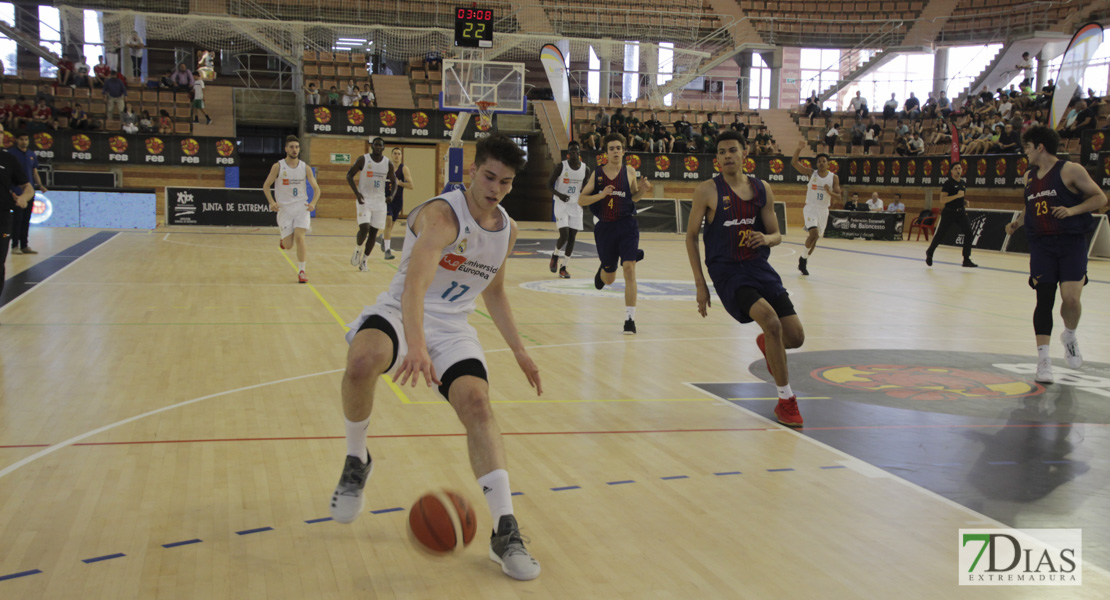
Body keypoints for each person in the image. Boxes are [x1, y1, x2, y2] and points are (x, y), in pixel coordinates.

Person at [331, 134, 542, 581]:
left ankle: (505, 531)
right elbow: (414, 287)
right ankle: (356, 460)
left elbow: (496, 292)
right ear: (471, 171)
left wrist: (521, 352)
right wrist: (416, 345)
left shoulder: (507, 229)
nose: (496, 188)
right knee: (363, 361)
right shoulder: (444, 216)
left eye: (505, 182)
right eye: (489, 176)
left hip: (452, 327)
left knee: (478, 405)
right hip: (401, 310)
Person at [685, 130, 806, 427]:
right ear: (717, 158)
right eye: (722, 152)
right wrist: (701, 285)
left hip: (759, 268)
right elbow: (690, 237)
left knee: (795, 337)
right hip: (728, 272)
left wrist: (766, 238)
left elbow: (777, 235)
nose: (727, 156)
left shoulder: (762, 189)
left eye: (732, 150)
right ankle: (785, 400)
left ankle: (769, 343)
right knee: (772, 321)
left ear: (744, 154)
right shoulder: (707, 191)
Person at [1004, 126, 1106, 383]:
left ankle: (1069, 336)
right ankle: (1044, 361)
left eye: (1027, 147)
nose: (1024, 152)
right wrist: (1017, 223)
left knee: (1070, 300)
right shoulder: (1029, 177)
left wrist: (1072, 211)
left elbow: (1099, 198)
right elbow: (1031, 207)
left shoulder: (1070, 170)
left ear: (1040, 147)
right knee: (1044, 298)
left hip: (1071, 242)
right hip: (1041, 244)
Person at [577, 133, 650, 334]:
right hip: (605, 228)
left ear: (624, 151)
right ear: (606, 153)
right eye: (612, 148)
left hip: (627, 226)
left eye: (619, 148)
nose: (616, 151)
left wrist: (643, 190)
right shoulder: (598, 174)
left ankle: (630, 320)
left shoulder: (630, 172)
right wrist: (601, 195)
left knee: (629, 269)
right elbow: (581, 200)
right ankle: (608, 267)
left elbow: (635, 198)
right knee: (609, 279)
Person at [263, 135, 321, 283]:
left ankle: (302, 271)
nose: (294, 150)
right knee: (288, 246)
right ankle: (284, 240)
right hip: (285, 209)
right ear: (286, 149)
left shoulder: (305, 167)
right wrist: (272, 202)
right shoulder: (278, 166)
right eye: (291, 147)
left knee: (300, 237)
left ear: (299, 149)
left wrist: (313, 203)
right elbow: (266, 186)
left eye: (296, 147)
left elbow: (317, 189)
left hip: (301, 207)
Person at [345, 137, 396, 271]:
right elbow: (349, 175)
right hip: (364, 199)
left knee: (373, 233)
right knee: (365, 228)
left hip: (380, 202)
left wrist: (391, 195)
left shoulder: (387, 163)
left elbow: (394, 182)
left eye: (380, 145)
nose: (378, 147)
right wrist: (357, 193)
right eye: (376, 145)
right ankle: (358, 248)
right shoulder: (363, 159)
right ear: (372, 146)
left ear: (384, 148)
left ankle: (364, 261)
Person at [0, 124, 35, 316]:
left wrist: (23, 198)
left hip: (3, 219)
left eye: (0, 132)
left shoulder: (8, 159)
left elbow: (28, 188)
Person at [792, 140, 840, 276]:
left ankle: (804, 259)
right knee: (813, 234)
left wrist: (829, 192)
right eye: (819, 161)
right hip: (811, 208)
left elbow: (839, 197)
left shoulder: (833, 178)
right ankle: (802, 260)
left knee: (815, 238)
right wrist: (799, 149)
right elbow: (794, 163)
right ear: (817, 163)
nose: (821, 163)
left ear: (828, 163)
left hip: (823, 210)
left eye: (824, 161)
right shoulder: (811, 174)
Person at [548, 141, 590, 279]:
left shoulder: (585, 169)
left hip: (576, 205)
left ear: (579, 153)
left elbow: (586, 189)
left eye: (575, 151)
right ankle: (555, 255)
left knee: (572, 237)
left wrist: (586, 199)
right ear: (568, 153)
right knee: (564, 235)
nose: (573, 153)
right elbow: (549, 185)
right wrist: (560, 195)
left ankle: (564, 267)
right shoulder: (561, 166)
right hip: (561, 204)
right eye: (571, 151)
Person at [926, 162, 977, 268]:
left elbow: (959, 198)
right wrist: (957, 196)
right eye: (956, 168)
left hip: (961, 212)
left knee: (969, 233)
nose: (958, 170)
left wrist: (963, 201)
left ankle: (966, 259)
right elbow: (943, 200)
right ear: (952, 171)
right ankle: (930, 252)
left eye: (960, 168)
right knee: (940, 234)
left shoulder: (962, 183)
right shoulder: (948, 183)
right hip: (949, 212)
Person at [6, 130, 46, 255]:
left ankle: (24, 245)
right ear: (17, 140)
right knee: (17, 219)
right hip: (17, 193)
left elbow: (34, 172)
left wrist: (40, 185)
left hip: (29, 193)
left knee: (26, 219)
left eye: (26, 139)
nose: (24, 142)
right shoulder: (11, 154)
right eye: (22, 139)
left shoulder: (31, 154)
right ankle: (14, 246)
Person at [380, 147, 412, 260]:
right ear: (391, 155)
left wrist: (399, 183)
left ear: (401, 156)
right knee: (388, 222)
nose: (397, 155)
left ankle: (385, 239)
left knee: (391, 224)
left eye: (399, 154)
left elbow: (411, 186)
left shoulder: (404, 169)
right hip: (387, 199)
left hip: (397, 200)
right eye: (395, 153)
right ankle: (387, 251)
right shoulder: (386, 168)